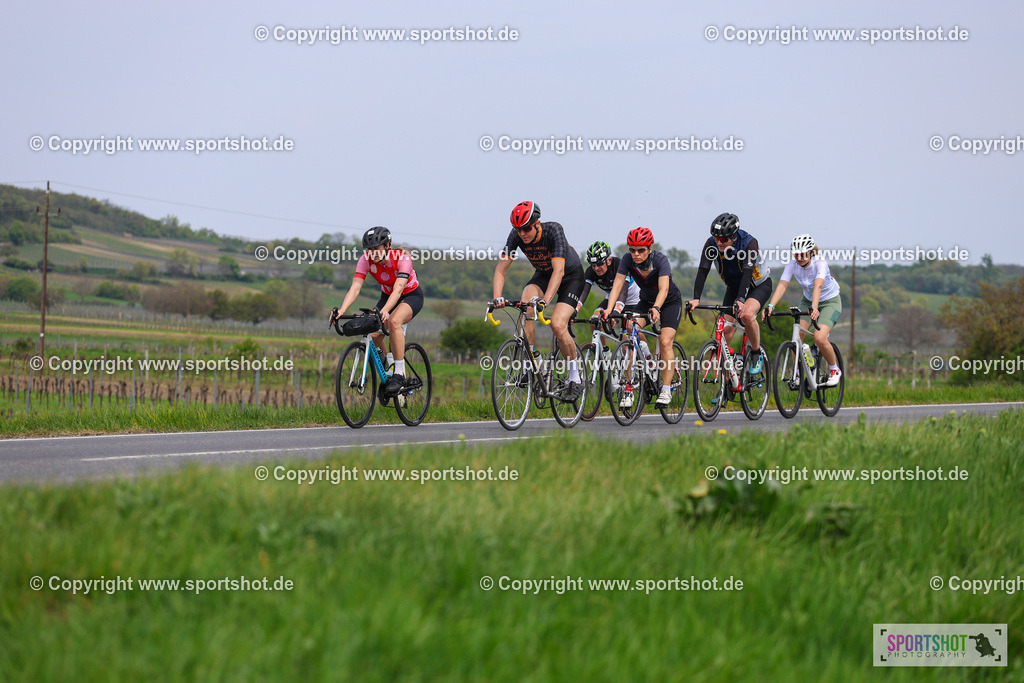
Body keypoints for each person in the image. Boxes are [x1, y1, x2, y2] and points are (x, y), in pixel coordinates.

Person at [491, 201, 585, 400]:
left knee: (558, 325)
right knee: (526, 305)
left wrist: (546, 301)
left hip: (570, 276)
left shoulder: (554, 230)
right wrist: (497, 297)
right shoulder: (516, 235)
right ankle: (533, 362)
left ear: (537, 224)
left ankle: (575, 378)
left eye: (526, 229)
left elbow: (559, 271)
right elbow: (501, 268)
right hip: (543, 274)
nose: (522, 234)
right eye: (518, 229)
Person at [330, 226, 423, 397]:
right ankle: (388, 370)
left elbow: (398, 290)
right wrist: (341, 310)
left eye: (376, 248)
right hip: (387, 296)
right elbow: (355, 287)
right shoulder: (365, 260)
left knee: (394, 321)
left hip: (410, 295)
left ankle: (399, 374)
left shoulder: (402, 259)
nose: (372, 253)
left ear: (387, 245)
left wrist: (386, 310)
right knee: (372, 334)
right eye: (369, 249)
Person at [602, 227, 683, 407]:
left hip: (669, 302)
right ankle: (631, 386)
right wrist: (609, 309)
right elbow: (617, 286)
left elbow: (664, 289)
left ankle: (666, 390)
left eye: (641, 250)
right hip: (646, 301)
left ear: (649, 249)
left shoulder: (660, 260)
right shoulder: (627, 260)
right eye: (632, 250)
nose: (636, 254)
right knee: (630, 328)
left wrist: (657, 308)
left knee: (665, 341)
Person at [687, 212, 772, 373]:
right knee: (725, 333)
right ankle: (727, 383)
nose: (719, 242)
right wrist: (696, 298)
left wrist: (741, 299)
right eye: (716, 238)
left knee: (747, 315)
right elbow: (703, 269)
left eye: (723, 239)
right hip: (733, 288)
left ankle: (756, 353)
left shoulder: (749, 243)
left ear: (734, 237)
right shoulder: (711, 244)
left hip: (757, 286)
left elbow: (747, 273)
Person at [763, 233, 843, 387]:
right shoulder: (792, 265)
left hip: (830, 301)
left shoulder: (820, 263)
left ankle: (834, 369)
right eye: (796, 254)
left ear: (811, 253)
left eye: (803, 254)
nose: (799, 257)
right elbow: (782, 285)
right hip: (807, 300)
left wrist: (815, 306)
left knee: (819, 338)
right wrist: (771, 306)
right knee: (797, 336)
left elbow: (818, 285)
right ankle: (798, 373)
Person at [576, 240, 641, 345]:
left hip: (633, 301)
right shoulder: (591, 271)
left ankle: (646, 352)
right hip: (612, 300)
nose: (596, 268)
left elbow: (623, 292)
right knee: (594, 321)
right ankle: (604, 351)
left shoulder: (620, 265)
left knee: (627, 341)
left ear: (609, 260)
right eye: (593, 265)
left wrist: (616, 312)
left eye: (599, 264)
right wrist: (575, 310)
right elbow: (584, 292)